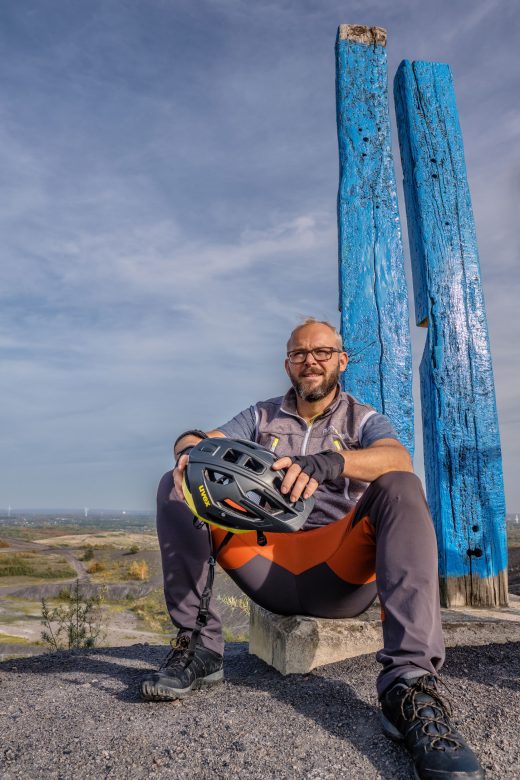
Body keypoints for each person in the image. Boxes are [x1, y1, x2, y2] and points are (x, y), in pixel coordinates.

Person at [141, 318, 484, 780]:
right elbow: (203, 440)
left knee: (401, 485)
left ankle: (409, 686)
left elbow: (397, 458)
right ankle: (199, 649)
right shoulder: (262, 416)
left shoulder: (362, 419)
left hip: (338, 567)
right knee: (179, 484)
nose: (312, 361)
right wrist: (185, 448)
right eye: (300, 353)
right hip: (268, 563)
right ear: (288, 364)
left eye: (322, 351)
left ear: (341, 360)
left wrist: (330, 463)